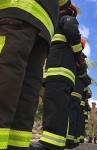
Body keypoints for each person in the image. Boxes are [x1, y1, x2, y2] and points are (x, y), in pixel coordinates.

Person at [0, 0, 71, 150]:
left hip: (18, 9)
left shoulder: (69, 23)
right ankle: (16, 145)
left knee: (7, 73)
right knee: (28, 87)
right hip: (44, 27)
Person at [30, 2, 84, 150]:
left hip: (60, 73)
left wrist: (78, 53)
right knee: (55, 107)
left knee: (55, 107)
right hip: (56, 74)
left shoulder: (67, 19)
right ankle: (54, 143)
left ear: (69, 11)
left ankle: (50, 144)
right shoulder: (57, 27)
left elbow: (72, 32)